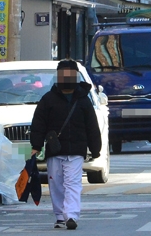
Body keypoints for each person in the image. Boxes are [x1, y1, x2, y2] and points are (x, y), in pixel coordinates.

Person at [30, 59, 102, 230]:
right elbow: (38, 124)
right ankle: (59, 216)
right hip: (55, 151)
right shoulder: (48, 99)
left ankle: (71, 215)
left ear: (76, 77)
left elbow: (92, 126)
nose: (67, 78)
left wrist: (95, 148)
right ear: (58, 76)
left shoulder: (84, 100)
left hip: (76, 151)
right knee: (56, 185)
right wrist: (36, 146)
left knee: (73, 183)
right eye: (64, 75)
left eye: (70, 74)